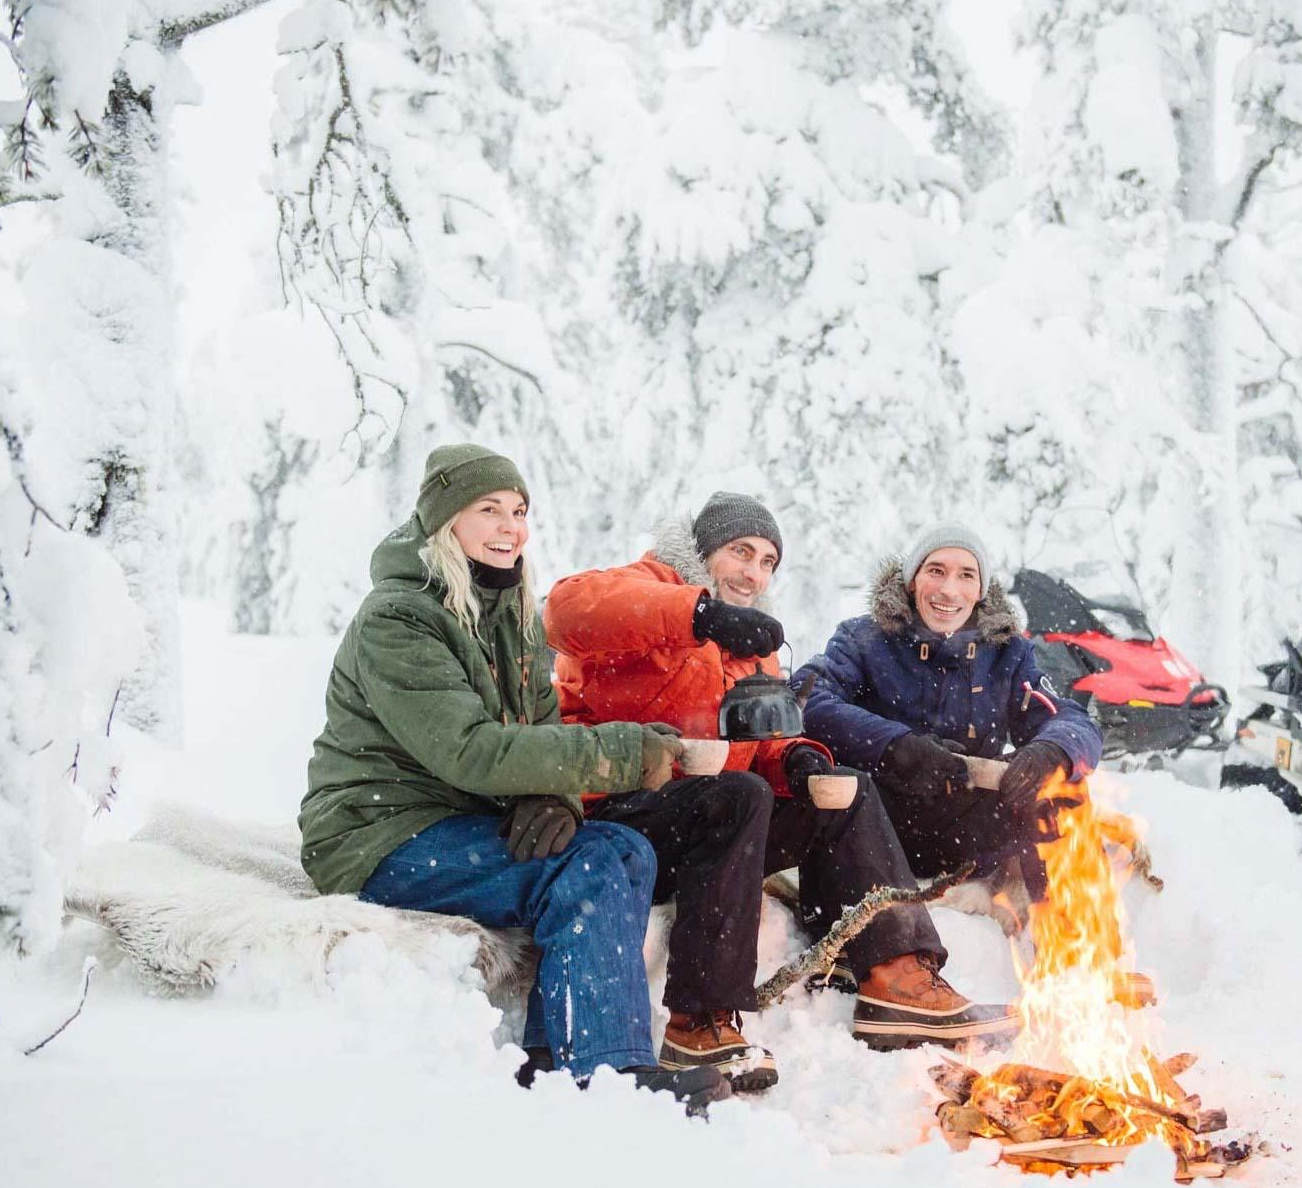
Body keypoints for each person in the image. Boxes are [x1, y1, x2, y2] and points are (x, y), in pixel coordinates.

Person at [298, 443, 725, 1109]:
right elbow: (468, 751)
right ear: (446, 522)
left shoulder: (511, 608)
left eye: (519, 510)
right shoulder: (399, 617)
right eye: (489, 510)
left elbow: (541, 726)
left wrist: (557, 797)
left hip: (456, 820)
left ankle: (558, 1058)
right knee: (581, 869)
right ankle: (607, 1074)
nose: (510, 527)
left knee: (625, 849)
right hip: (378, 835)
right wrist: (626, 751)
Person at [543, 492, 1017, 1088]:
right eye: (742, 552)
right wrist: (697, 614)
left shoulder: (751, 645)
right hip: (619, 817)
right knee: (738, 795)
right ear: (703, 550)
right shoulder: (647, 587)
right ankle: (699, 1020)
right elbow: (564, 611)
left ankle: (897, 978)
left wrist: (799, 762)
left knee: (845, 789)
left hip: (712, 826)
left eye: (768, 561)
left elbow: (762, 742)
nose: (754, 572)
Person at [795, 522, 1102, 920]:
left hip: (970, 830)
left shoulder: (1009, 652)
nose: (948, 590)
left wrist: (1049, 750)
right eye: (936, 571)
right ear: (912, 581)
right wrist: (897, 746)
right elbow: (807, 697)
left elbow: (1070, 720)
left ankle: (1072, 948)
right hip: (877, 824)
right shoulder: (863, 638)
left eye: (966, 575)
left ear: (980, 591)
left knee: (1064, 786)